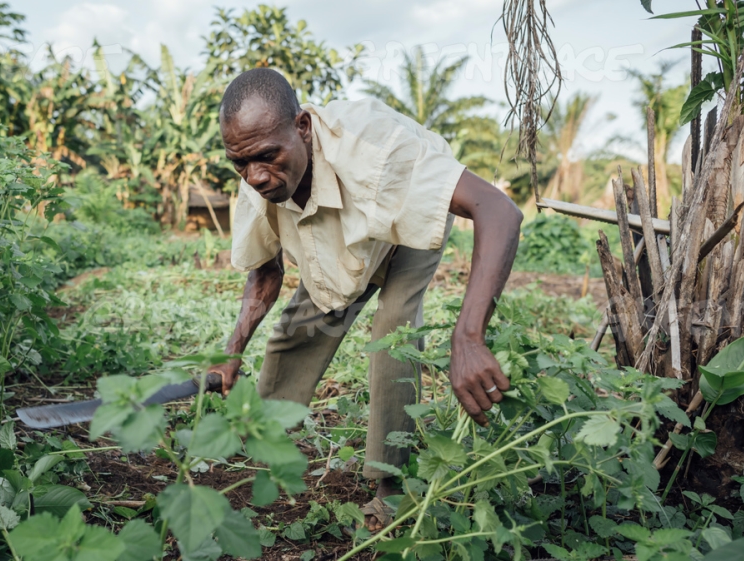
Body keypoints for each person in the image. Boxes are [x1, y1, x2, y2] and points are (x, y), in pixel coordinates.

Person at [207, 68, 522, 531]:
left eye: (267, 156)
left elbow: (499, 209)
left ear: (303, 127)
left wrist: (468, 336)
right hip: (346, 229)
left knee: (393, 331)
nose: (255, 176)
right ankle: (264, 443)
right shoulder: (259, 178)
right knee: (302, 326)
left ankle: (390, 486)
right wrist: (229, 354)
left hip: (404, 218)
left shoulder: (378, 152)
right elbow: (265, 273)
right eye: (240, 164)